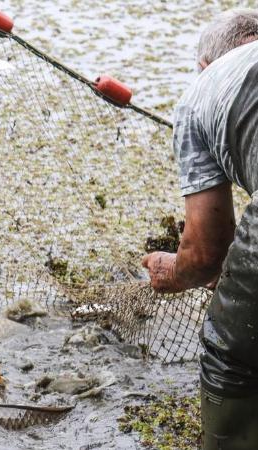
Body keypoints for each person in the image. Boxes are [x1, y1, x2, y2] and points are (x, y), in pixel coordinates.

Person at [141, 9, 258, 450]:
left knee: (234, 355)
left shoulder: (200, 92)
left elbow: (206, 253)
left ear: (204, 67)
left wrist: (175, 270)